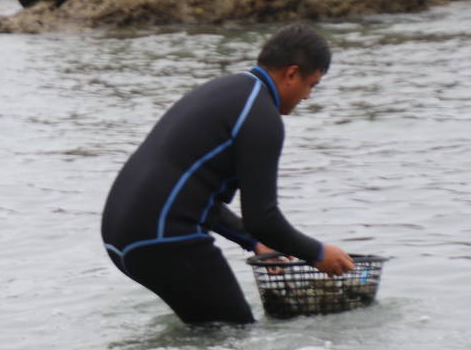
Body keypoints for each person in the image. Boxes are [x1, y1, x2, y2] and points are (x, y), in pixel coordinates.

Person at [100, 23, 354, 325]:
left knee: (210, 334)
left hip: (122, 235)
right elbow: (263, 218)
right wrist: (317, 252)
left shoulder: (225, 92)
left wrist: (254, 242)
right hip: (163, 238)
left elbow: (192, 193)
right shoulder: (261, 116)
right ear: (291, 73)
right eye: (311, 85)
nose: (307, 97)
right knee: (236, 339)